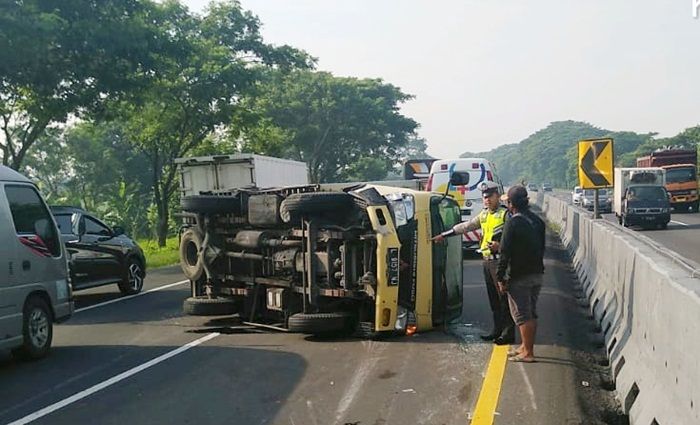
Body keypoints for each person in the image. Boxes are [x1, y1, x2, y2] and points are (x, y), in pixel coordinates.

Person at [432, 180, 515, 345]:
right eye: (485, 197)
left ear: (497, 196)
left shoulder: (506, 215)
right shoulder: (484, 215)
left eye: (490, 196)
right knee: (494, 300)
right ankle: (497, 330)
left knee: (504, 299)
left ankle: (508, 333)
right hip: (486, 262)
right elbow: (467, 226)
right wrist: (444, 234)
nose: (487, 200)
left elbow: (514, 239)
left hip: (500, 262)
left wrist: (501, 247)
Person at [496, 185, 545, 363]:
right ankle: (524, 347)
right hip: (537, 273)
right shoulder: (538, 221)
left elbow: (505, 252)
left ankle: (528, 353)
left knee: (522, 315)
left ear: (511, 203)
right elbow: (542, 248)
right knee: (530, 311)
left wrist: (500, 277)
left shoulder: (513, 222)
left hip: (518, 276)